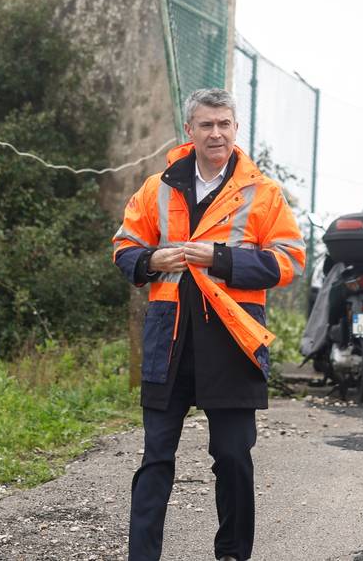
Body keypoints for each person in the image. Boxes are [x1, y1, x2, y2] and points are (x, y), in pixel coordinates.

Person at [112, 88, 306, 561]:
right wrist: (151, 259)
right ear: (190, 131)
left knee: (234, 458)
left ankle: (233, 555)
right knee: (155, 458)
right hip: (170, 338)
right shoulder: (157, 186)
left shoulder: (263, 192)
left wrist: (220, 258)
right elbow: (123, 247)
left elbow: (289, 260)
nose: (216, 133)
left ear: (236, 129)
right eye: (206, 124)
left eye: (224, 124)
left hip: (233, 339)